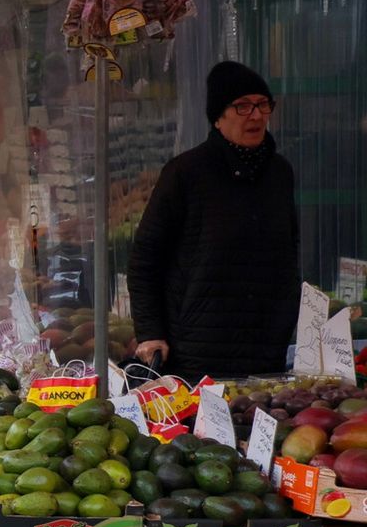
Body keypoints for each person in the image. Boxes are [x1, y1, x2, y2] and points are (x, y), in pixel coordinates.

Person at [128, 61, 299, 380]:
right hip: (197, 354)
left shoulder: (280, 173)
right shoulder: (185, 173)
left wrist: (287, 320)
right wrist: (150, 331)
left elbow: (288, 255)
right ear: (218, 117)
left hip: (266, 353)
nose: (257, 115)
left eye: (263, 105)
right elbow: (145, 261)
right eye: (243, 106)